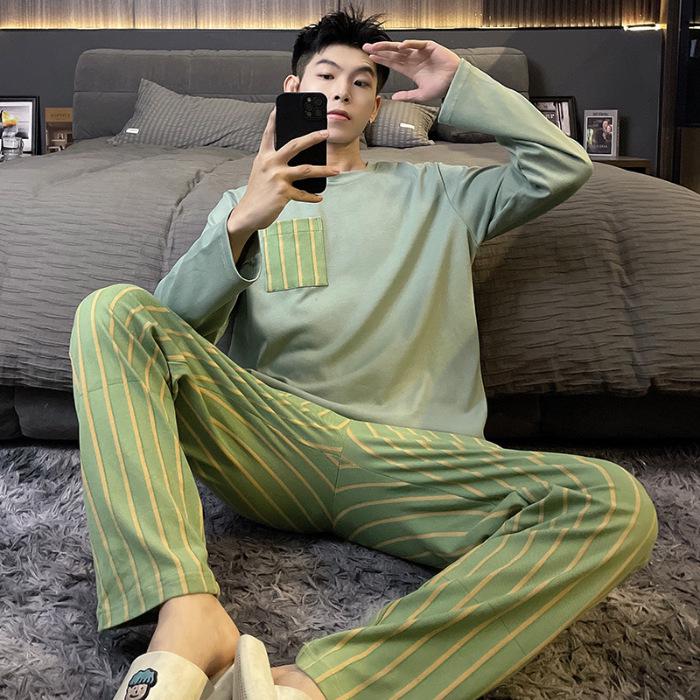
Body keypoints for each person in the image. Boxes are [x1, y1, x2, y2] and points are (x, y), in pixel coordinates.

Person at [69, 3, 659, 699]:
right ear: (292, 92)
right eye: (325, 77)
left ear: (379, 105)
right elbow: (161, 342)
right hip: (277, 448)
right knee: (109, 310)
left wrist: (460, 83)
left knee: (615, 504)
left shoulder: (442, 189)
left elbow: (563, 165)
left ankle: (319, 686)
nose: (342, 92)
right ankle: (185, 615)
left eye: (361, 81)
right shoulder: (244, 201)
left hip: (416, 463)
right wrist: (244, 220)